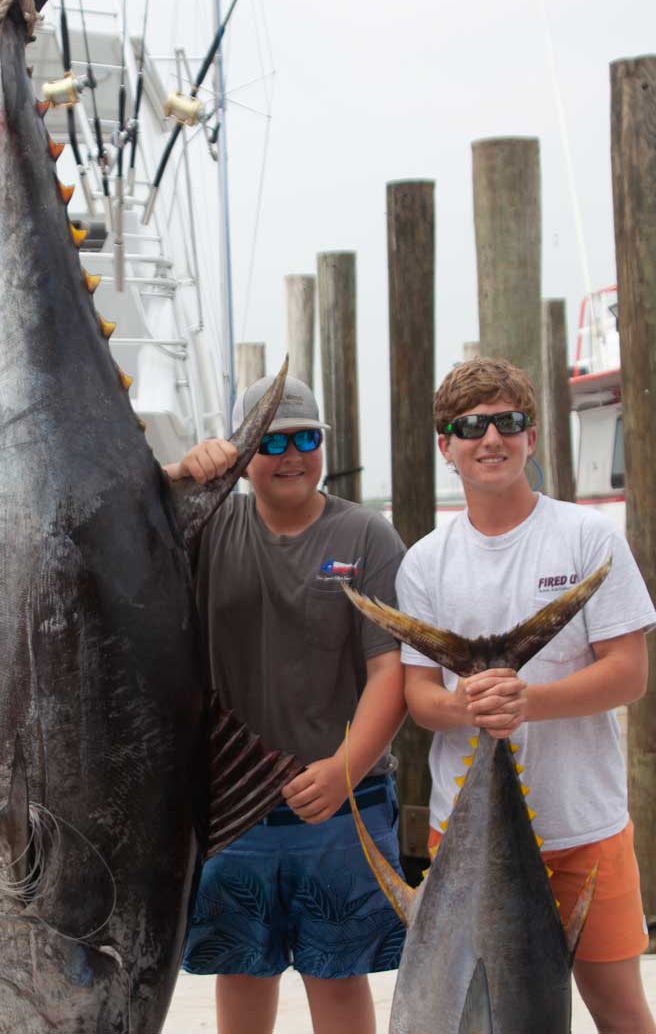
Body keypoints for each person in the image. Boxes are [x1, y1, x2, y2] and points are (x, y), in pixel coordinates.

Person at [396, 356, 656, 1034]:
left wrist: (527, 700)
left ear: (532, 436)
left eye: (508, 422)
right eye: (471, 425)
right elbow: (421, 696)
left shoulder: (588, 537)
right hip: (461, 835)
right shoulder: (425, 561)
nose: (491, 438)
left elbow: (630, 672)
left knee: (621, 1009)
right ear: (445, 445)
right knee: (453, 1017)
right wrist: (472, 707)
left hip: (584, 828)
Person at [164, 374, 407, 1034]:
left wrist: (345, 768)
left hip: (342, 804)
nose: (292, 454)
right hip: (233, 808)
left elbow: (392, 670)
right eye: (271, 442)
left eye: (307, 437)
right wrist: (181, 471)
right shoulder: (205, 522)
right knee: (241, 975)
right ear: (242, 454)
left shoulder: (367, 537)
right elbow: (112, 507)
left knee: (339, 976)